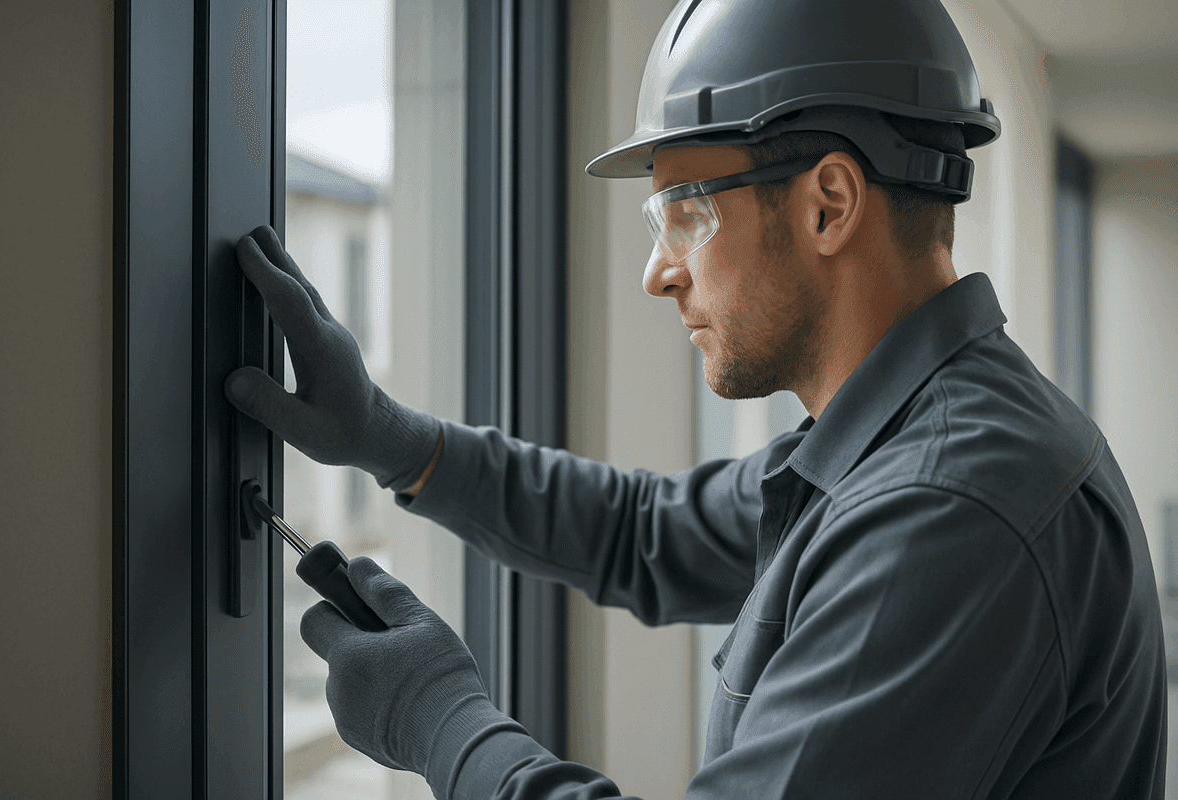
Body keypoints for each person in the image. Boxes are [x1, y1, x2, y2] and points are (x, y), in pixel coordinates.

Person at [225, 0, 1167, 796]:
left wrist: (440, 722)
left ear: (829, 204)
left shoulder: (949, 509)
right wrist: (392, 439)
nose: (657, 271)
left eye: (686, 211)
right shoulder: (906, 432)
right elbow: (643, 531)